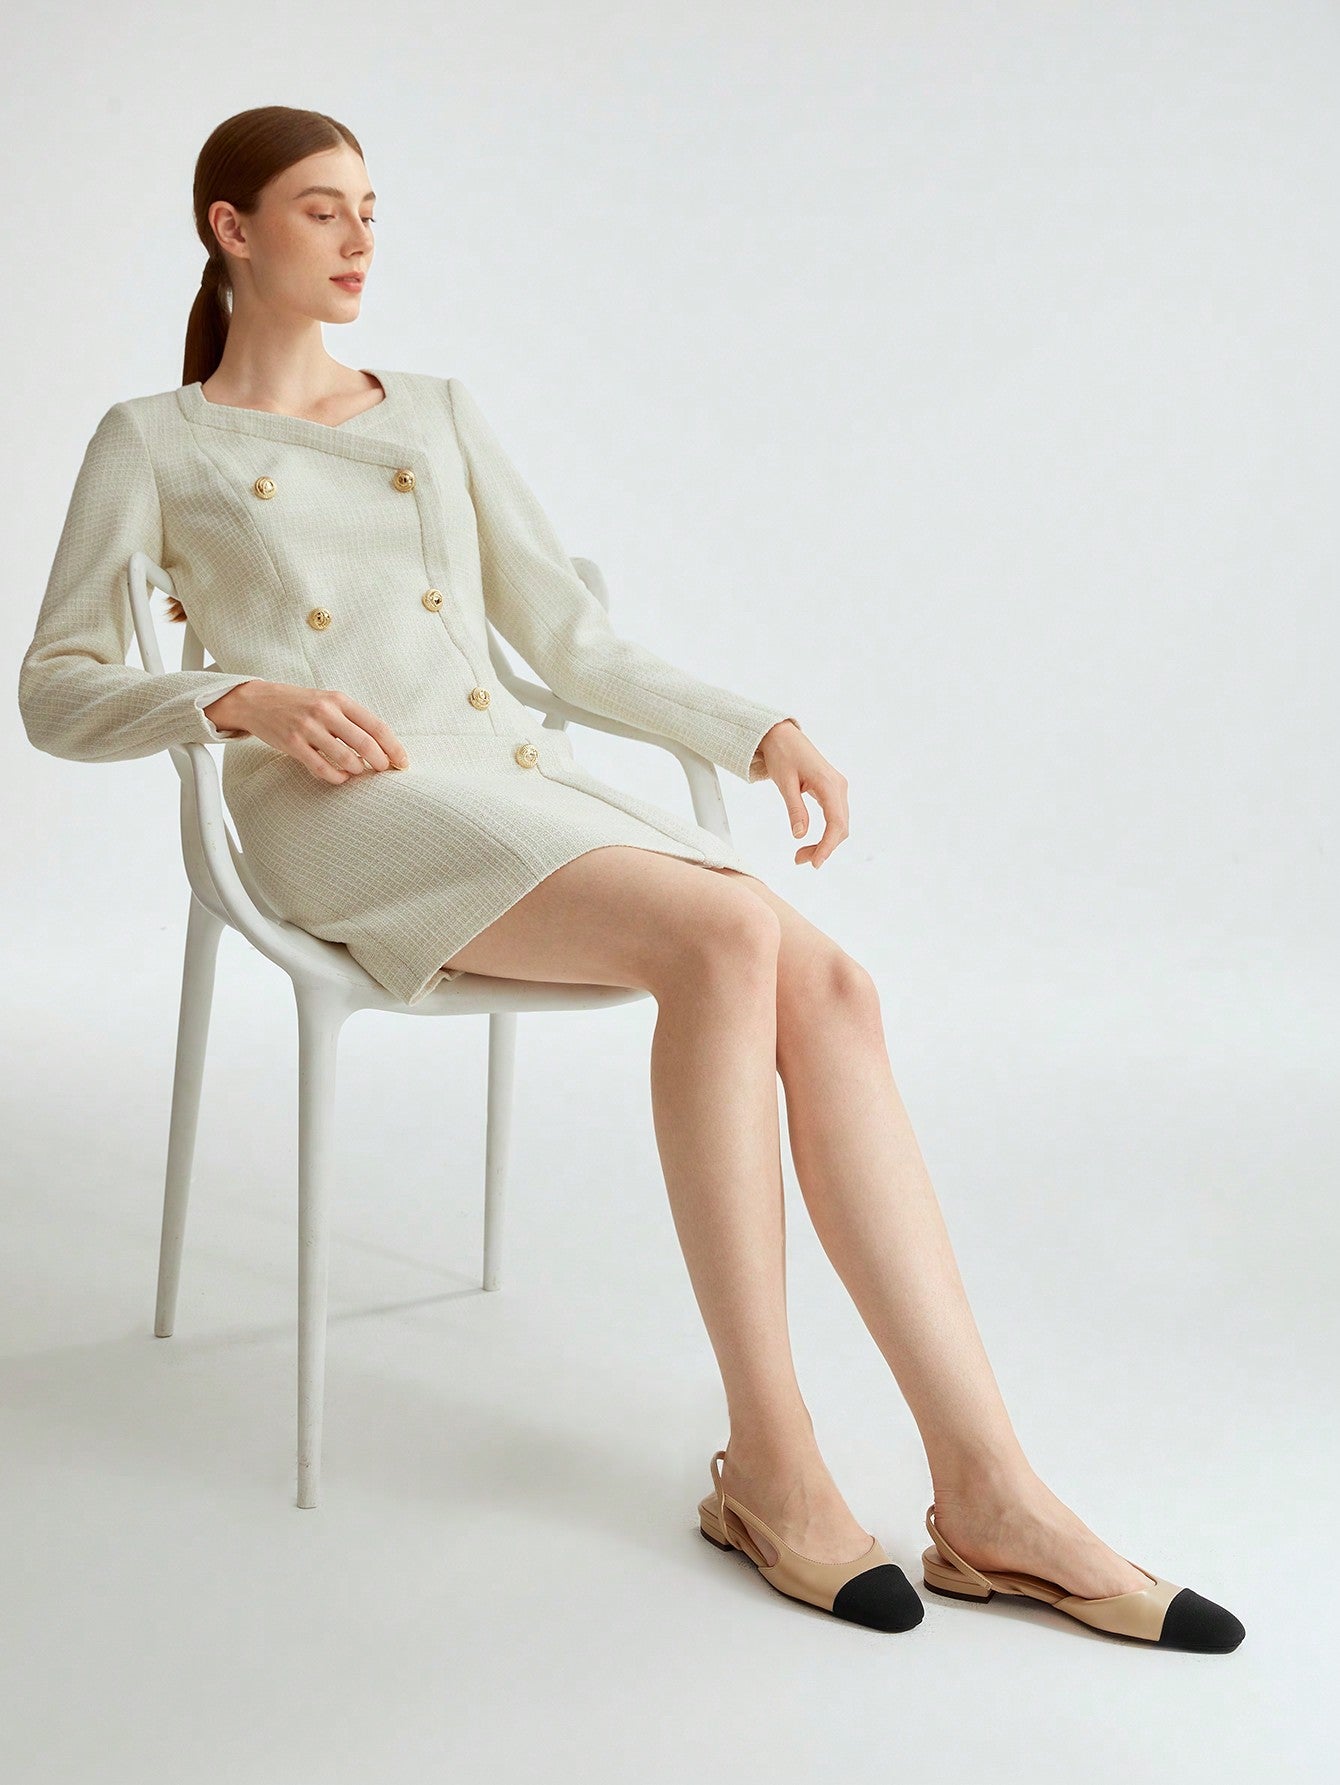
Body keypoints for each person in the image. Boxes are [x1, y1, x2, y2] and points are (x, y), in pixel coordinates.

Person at [18, 106, 1243, 1650]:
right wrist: (237, 698)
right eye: (323, 209)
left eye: (373, 207)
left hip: (507, 774)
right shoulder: (155, 439)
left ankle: (991, 1489)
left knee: (833, 980)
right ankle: (772, 1462)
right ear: (231, 227)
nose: (361, 237)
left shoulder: (436, 412)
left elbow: (570, 643)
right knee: (728, 933)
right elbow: (55, 685)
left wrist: (759, 727)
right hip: (342, 812)